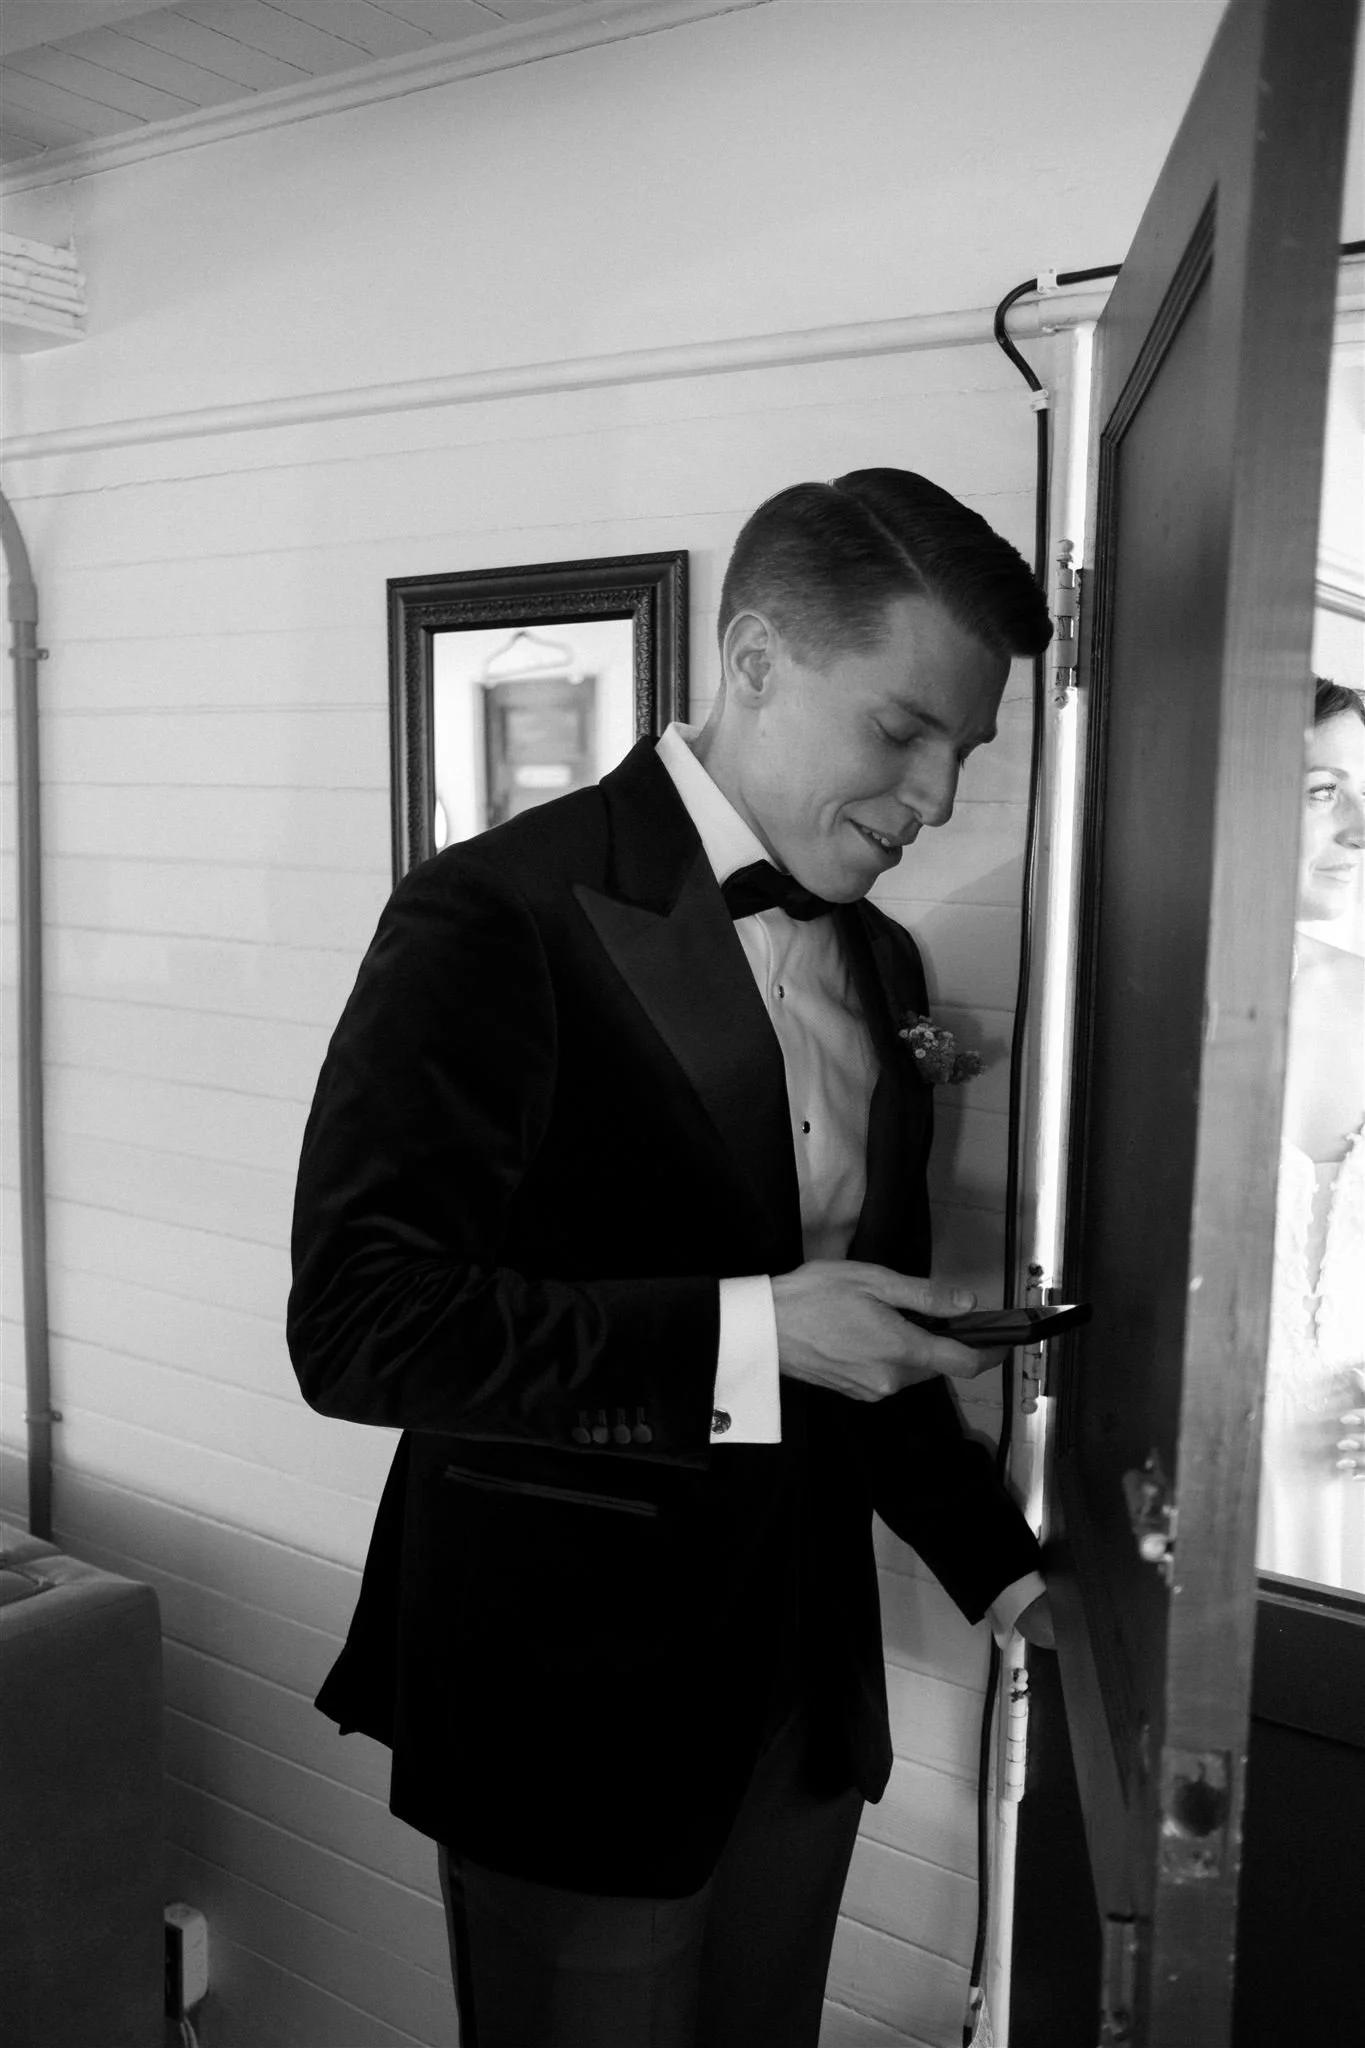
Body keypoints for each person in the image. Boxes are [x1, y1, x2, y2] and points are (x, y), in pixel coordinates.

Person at [288, 469, 1056, 2047]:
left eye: (965, 752)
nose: (935, 798)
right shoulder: (492, 912)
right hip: (568, 1694)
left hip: (802, 1692)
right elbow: (362, 1326)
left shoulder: (883, 960)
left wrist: (1014, 1576)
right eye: (903, 732)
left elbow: (865, 1334)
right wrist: (753, 1340)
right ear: (757, 658)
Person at [1257, 678, 1365, 1595]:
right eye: (1323, 791)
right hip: (1198, 1480)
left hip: (1350, 1478)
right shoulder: (1135, 1003)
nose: (1360, 829)